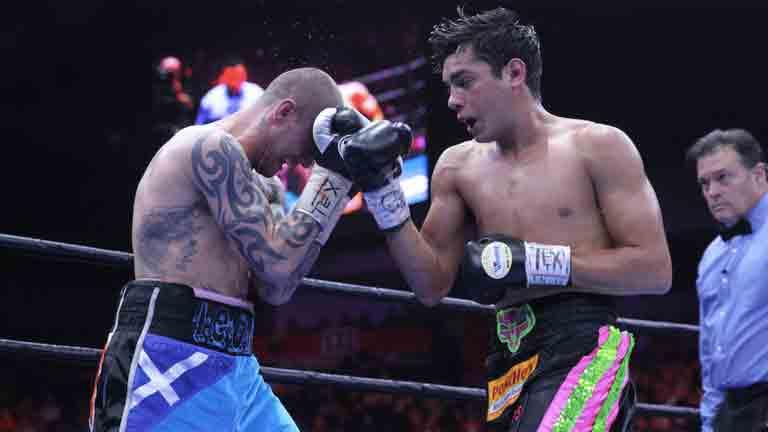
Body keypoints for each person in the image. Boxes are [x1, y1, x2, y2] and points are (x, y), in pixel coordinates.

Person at [341, 7, 672, 431]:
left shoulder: (596, 146)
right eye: (448, 86)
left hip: (583, 342)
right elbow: (429, 285)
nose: (451, 100)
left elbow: (654, 269)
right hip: (507, 359)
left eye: (464, 82)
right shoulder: (456, 167)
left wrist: (536, 261)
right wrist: (383, 193)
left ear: (514, 73)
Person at [88, 67, 412, 431]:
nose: (306, 162)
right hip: (169, 363)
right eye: (306, 146)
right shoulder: (208, 148)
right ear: (283, 112)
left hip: (238, 366)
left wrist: (342, 178)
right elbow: (277, 266)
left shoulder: (267, 184)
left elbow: (279, 283)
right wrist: (333, 173)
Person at [686, 129, 768, 432]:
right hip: (729, 415)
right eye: (704, 183)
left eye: (723, 178)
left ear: (759, 174)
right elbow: (710, 348)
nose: (713, 191)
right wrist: (710, 422)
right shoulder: (712, 256)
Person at [195, 58, 265, 125]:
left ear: (244, 75)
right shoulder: (211, 98)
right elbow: (199, 126)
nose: (235, 81)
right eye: (232, 77)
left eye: (239, 76)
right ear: (224, 77)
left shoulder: (256, 92)